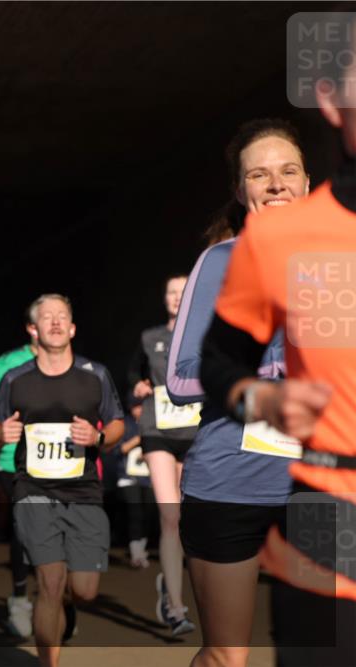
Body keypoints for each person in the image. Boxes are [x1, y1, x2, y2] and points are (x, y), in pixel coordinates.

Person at [201, 53, 356, 667]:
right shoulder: (278, 239)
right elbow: (216, 361)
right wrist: (259, 398)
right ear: (329, 100)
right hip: (329, 512)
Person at [167, 118, 310, 665]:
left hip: (320, 483)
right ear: (241, 189)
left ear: (306, 181)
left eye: (287, 170)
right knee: (228, 656)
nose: (275, 183)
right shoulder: (221, 262)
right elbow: (180, 380)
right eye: (259, 174)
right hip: (232, 483)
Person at [0, 294, 124, 667]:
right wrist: (1, 434)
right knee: (49, 582)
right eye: (47, 318)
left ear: (73, 327)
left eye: (62, 317)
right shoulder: (15, 378)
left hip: (84, 492)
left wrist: (98, 438)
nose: (56, 322)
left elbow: (116, 423)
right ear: (34, 329)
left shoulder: (95, 374)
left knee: (84, 590)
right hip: (33, 490)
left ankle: (65, 600)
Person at [128, 275, 200, 635]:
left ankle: (176, 589)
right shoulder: (149, 338)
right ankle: (175, 605)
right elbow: (134, 377)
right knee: (170, 517)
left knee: (191, 520)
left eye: (184, 291)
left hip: (196, 434)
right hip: (158, 431)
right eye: (171, 291)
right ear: (165, 298)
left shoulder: (207, 336)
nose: (176, 297)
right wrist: (137, 388)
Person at [0, 320, 39, 637]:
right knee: (26, 526)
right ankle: (19, 599)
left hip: (61, 465)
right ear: (31, 327)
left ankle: (57, 599)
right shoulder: (8, 363)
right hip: (13, 461)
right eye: (46, 318)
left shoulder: (77, 367)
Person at [107, 401, 154, 568]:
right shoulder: (124, 424)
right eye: (136, 405)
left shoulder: (152, 422)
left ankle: (141, 550)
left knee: (148, 514)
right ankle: (135, 554)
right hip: (127, 476)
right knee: (135, 512)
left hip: (149, 477)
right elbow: (117, 450)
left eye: (142, 406)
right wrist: (138, 440)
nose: (139, 409)